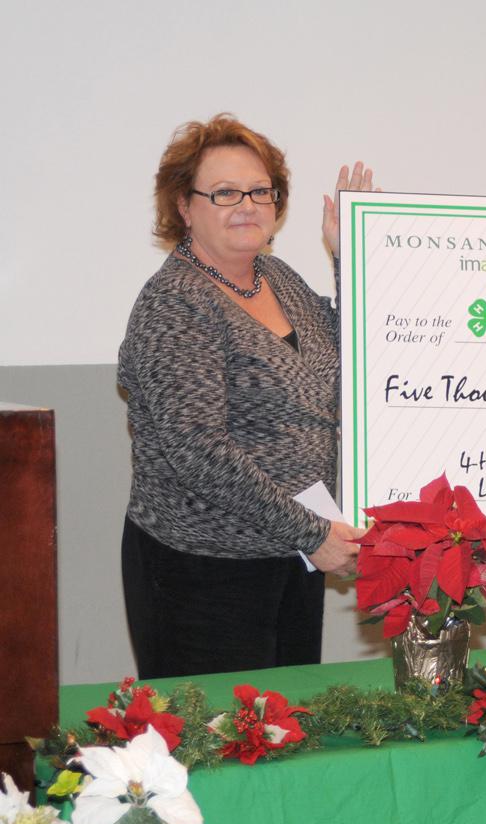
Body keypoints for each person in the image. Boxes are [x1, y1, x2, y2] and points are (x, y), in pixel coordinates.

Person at [119, 114, 376, 677]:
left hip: (291, 557)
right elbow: (198, 452)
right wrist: (313, 534)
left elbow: (350, 357)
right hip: (204, 574)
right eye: (226, 192)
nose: (248, 205)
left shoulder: (276, 277)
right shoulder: (175, 304)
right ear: (184, 207)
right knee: (218, 746)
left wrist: (351, 256)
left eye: (262, 191)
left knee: (283, 739)